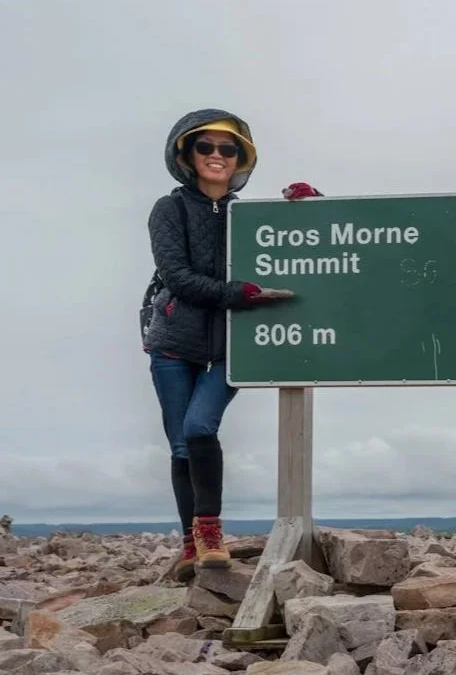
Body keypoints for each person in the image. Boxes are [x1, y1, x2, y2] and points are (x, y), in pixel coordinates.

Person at [140, 109, 318, 579]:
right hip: (174, 346)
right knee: (181, 447)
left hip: (232, 348)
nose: (217, 156)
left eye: (228, 148)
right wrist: (237, 295)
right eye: (206, 147)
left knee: (200, 427)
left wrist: (309, 209)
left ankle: (210, 530)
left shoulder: (248, 215)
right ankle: (190, 544)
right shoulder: (169, 209)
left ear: (241, 158)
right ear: (187, 153)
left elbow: (293, 250)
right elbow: (177, 277)